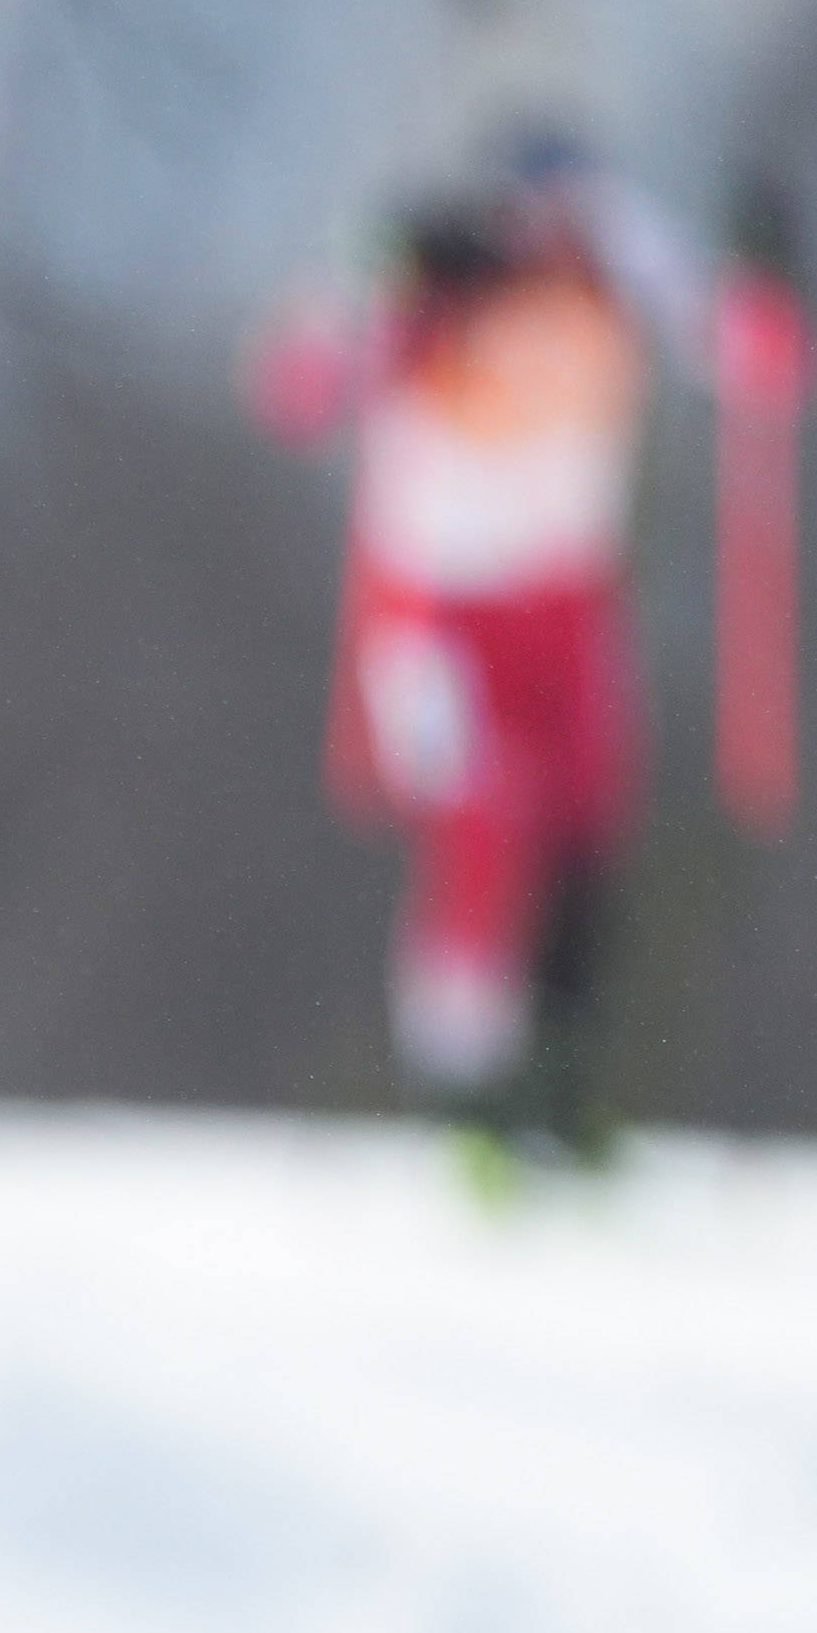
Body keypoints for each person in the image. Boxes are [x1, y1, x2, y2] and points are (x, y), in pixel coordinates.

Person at [250, 129, 709, 1159]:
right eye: (533, 215)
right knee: (480, 822)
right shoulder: (439, 297)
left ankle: (560, 1080)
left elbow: (747, 349)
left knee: (584, 828)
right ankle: (465, 1088)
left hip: (563, 608)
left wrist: (754, 267)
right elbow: (296, 390)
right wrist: (365, 274)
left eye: (572, 213)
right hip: (439, 614)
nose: (552, 237)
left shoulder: (611, 292)